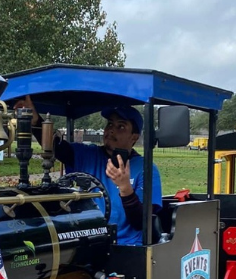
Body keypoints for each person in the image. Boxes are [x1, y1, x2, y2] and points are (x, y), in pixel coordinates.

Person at [13, 97, 162, 246]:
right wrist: (36, 121)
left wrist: (125, 189)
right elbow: (59, 149)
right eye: (110, 124)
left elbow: (142, 222)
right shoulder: (88, 155)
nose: (111, 130)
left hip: (126, 247)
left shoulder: (145, 169)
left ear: (134, 137)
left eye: (120, 126)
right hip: (87, 243)